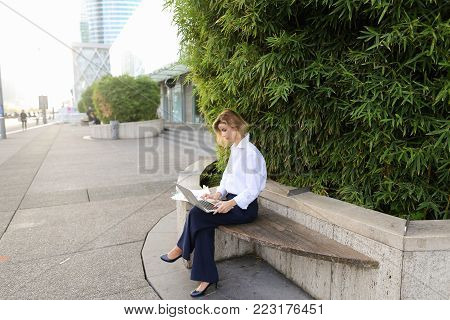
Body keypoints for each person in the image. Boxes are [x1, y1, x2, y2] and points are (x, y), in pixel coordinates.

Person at [160, 109, 267, 297]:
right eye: (221, 131)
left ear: (235, 126)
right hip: (230, 201)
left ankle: (181, 249)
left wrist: (230, 203)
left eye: (224, 130)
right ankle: (206, 277)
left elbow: (252, 190)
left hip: (244, 208)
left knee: (196, 214)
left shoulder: (250, 153)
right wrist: (218, 195)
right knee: (202, 224)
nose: (222, 135)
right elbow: (227, 178)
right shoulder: (237, 148)